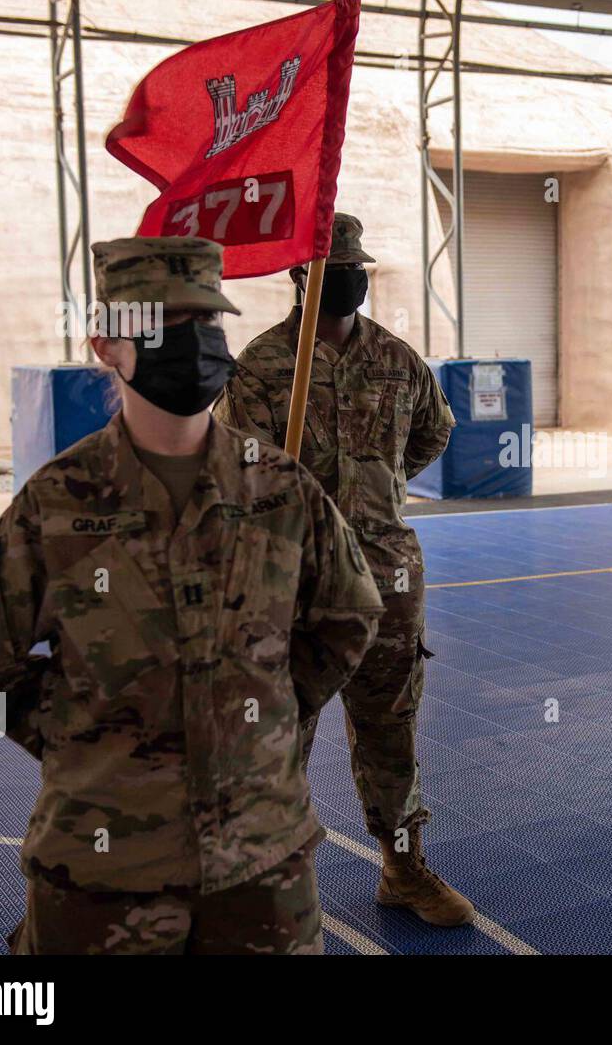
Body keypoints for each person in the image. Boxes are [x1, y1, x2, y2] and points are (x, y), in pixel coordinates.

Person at [0, 236, 384, 954]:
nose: (192, 343)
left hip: (262, 869)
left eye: (206, 322)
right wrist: (82, 736)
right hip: (104, 874)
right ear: (107, 344)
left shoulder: (282, 489)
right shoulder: (58, 503)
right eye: (163, 325)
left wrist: (265, 712)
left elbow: (348, 617)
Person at [214, 213, 471, 926]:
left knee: (391, 720)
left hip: (387, 575)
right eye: (337, 266)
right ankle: (271, 876)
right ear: (302, 276)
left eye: (356, 265)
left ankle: (403, 867)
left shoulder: (396, 359)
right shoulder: (263, 367)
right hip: (295, 581)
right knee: (282, 729)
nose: (351, 277)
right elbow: (236, 473)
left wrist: (378, 493)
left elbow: (433, 432)